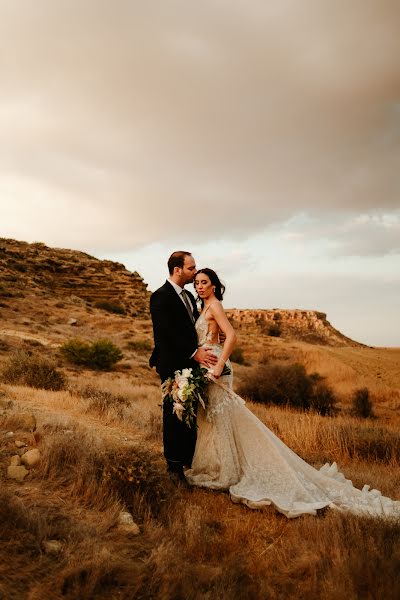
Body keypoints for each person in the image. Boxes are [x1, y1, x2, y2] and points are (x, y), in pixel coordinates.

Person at [185, 268, 400, 519]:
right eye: (197, 283)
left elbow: (231, 335)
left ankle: (226, 471)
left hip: (216, 368)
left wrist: (220, 363)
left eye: (204, 282)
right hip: (205, 365)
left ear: (213, 285)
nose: (200, 286)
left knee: (222, 417)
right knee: (214, 419)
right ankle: (219, 466)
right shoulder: (204, 307)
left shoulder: (215, 306)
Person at [149, 251, 218, 481]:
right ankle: (174, 467)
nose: (195, 272)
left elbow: (193, 329)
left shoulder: (188, 296)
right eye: (191, 268)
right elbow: (166, 334)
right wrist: (193, 353)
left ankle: (189, 460)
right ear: (177, 270)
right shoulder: (160, 296)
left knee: (189, 413)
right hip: (172, 364)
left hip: (192, 365)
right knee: (173, 414)